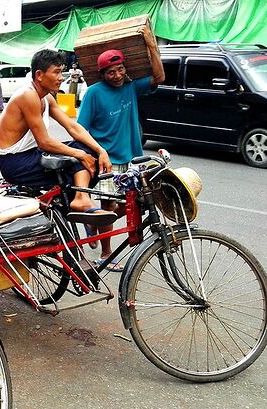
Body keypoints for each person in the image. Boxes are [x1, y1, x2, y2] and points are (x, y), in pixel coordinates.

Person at [77, 27, 164, 271]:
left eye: (120, 69)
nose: (116, 75)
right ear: (102, 73)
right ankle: (106, 254)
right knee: (108, 206)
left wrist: (151, 44)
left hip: (133, 159)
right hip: (108, 161)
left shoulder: (131, 87)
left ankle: (93, 219)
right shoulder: (93, 93)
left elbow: (159, 76)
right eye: (111, 72)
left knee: (135, 204)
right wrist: (94, 154)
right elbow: (81, 129)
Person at [0, 49, 114, 221]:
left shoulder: (46, 97)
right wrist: (80, 154)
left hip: (32, 154)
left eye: (61, 72)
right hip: (15, 162)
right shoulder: (27, 96)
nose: (61, 78)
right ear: (39, 75)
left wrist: (101, 150)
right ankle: (78, 202)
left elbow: (73, 126)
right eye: (56, 72)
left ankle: (80, 199)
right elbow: (44, 142)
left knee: (87, 150)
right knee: (77, 158)